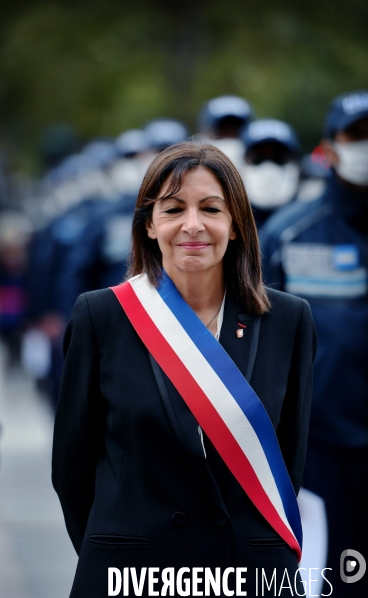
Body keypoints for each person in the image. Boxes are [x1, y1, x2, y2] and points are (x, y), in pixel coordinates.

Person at [52, 142, 316, 597]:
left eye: (211, 208)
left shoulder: (287, 321)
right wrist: (121, 548)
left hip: (246, 571)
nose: (192, 225)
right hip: (133, 574)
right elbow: (71, 468)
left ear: (235, 225)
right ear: (150, 225)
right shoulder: (102, 316)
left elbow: (287, 465)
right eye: (173, 208)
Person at [260, 90, 368, 598]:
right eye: (358, 135)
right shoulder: (289, 235)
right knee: (332, 581)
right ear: (331, 146)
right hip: (319, 452)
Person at [241, 119, 301, 228]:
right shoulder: (229, 224)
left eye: (279, 158)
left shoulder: (309, 222)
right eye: (258, 159)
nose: (268, 168)